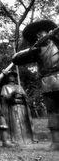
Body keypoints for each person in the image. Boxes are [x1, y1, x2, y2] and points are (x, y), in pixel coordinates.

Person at [12, 19, 59, 149]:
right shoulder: (37, 50)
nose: (39, 36)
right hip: (47, 84)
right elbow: (15, 59)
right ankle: (56, 142)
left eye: (41, 33)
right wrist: (32, 50)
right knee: (52, 113)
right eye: (37, 35)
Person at [0, 71, 36, 145]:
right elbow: (5, 98)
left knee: (24, 124)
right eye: (10, 76)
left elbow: (25, 97)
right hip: (12, 109)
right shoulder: (5, 87)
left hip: (22, 108)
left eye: (13, 76)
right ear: (7, 78)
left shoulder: (19, 87)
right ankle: (16, 140)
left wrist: (23, 96)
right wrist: (13, 93)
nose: (12, 78)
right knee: (15, 125)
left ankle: (27, 139)